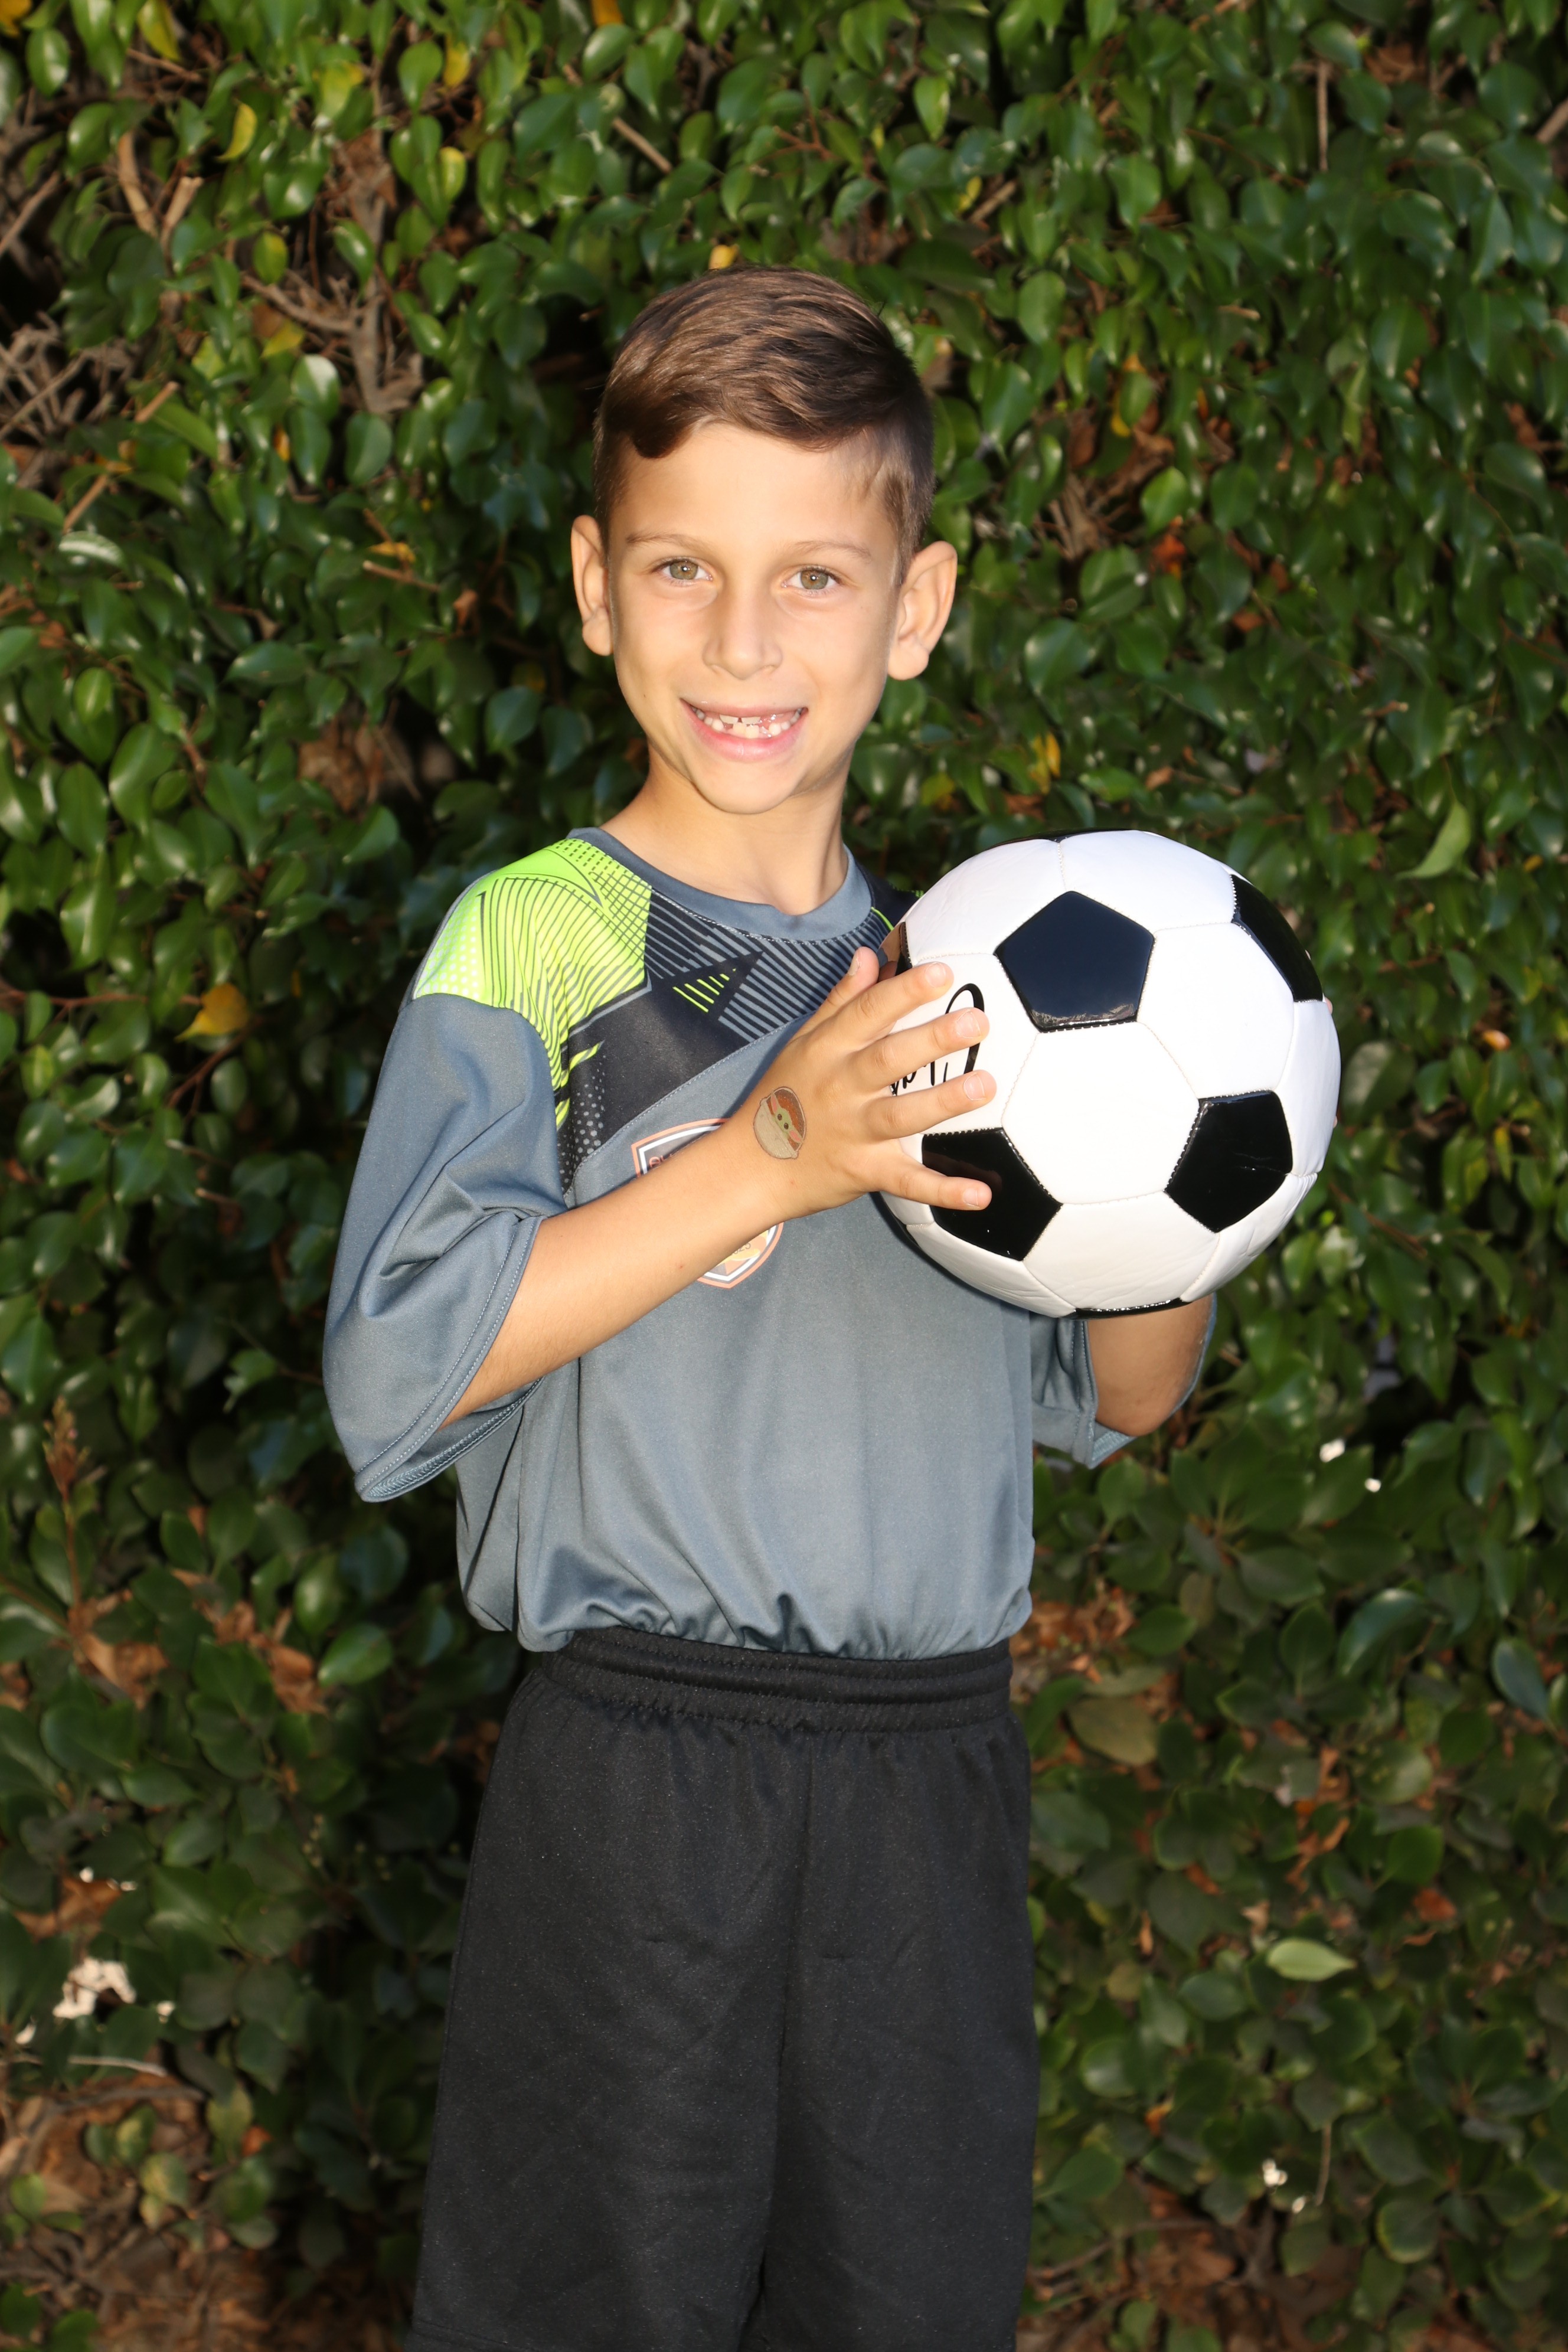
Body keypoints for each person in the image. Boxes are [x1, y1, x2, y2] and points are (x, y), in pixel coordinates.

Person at [324, 267, 1211, 2352]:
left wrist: (1186, 1178)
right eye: (683, 569)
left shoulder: (986, 987)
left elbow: (1122, 1399)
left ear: (916, 608)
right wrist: (768, 1159)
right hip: (639, 1778)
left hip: (930, 1780)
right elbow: (393, 1377)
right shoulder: (533, 944)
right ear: (594, 588)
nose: (745, 640)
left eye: (814, 574)